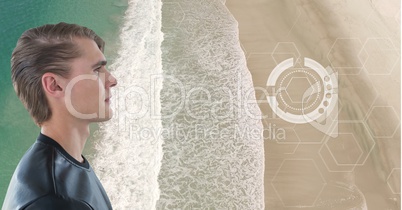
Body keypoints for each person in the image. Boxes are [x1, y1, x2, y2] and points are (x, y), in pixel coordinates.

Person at [2, 22, 117, 209]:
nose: (112, 80)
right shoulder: (56, 199)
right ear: (54, 85)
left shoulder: (61, 166)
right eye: (97, 70)